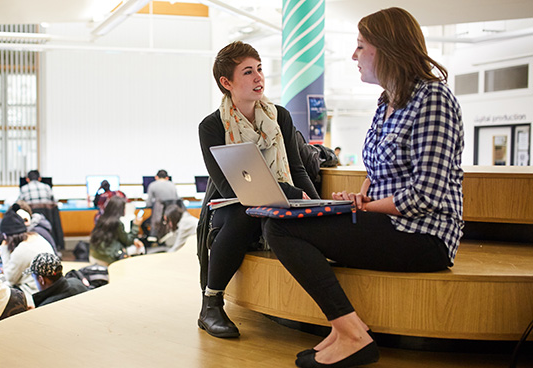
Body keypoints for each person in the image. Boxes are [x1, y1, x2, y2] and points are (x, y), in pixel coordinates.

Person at [263, 8, 464, 368]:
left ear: (386, 49)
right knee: (281, 220)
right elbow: (379, 171)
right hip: (391, 221)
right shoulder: (386, 101)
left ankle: (352, 333)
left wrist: (365, 208)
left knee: (281, 227)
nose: (354, 56)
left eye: (360, 46)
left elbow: (426, 194)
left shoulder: (433, 98)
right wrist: (361, 196)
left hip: (424, 235)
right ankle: (344, 330)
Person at [196, 41, 320, 339]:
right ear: (227, 83)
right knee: (244, 212)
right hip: (228, 206)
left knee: (311, 219)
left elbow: (299, 169)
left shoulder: (280, 117)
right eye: (248, 72)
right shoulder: (212, 126)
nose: (258, 78)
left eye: (260, 69)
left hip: (280, 197)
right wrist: (287, 192)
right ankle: (210, 305)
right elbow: (230, 187)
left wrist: (318, 207)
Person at [0, 206, 55, 306]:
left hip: (33, 294)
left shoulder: (22, 250)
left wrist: (4, 249)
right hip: (50, 289)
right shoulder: (37, 237)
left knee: (0, 287)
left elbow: (10, 279)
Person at [89, 196, 144, 265]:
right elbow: (127, 241)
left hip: (94, 256)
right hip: (107, 259)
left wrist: (134, 241)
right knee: (140, 248)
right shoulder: (116, 223)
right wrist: (136, 225)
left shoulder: (101, 219)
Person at [144, 169, 179, 238]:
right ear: (167, 178)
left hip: (158, 218)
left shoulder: (152, 185)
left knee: (144, 224)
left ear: (156, 177)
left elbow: (149, 203)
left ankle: (152, 240)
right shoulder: (172, 185)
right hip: (171, 218)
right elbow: (177, 200)